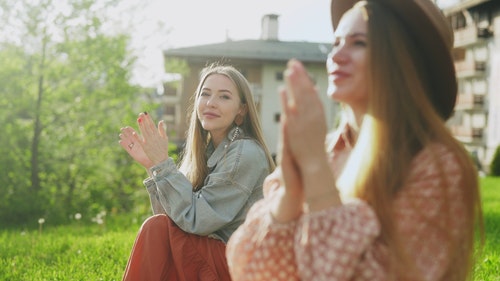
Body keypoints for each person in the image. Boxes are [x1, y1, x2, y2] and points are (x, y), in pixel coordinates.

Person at [226, 0, 483, 280]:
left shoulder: (437, 166)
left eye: (358, 43)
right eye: (336, 43)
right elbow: (248, 267)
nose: (337, 56)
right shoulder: (324, 148)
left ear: (404, 59)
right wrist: (290, 190)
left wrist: (314, 170)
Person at [119, 64, 275, 281]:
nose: (211, 103)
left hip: (240, 267)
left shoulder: (244, 152)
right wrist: (152, 166)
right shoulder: (208, 152)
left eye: (224, 97)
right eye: (205, 94)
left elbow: (196, 221)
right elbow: (172, 221)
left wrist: (163, 164)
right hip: (214, 257)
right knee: (159, 228)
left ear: (242, 110)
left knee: (156, 229)